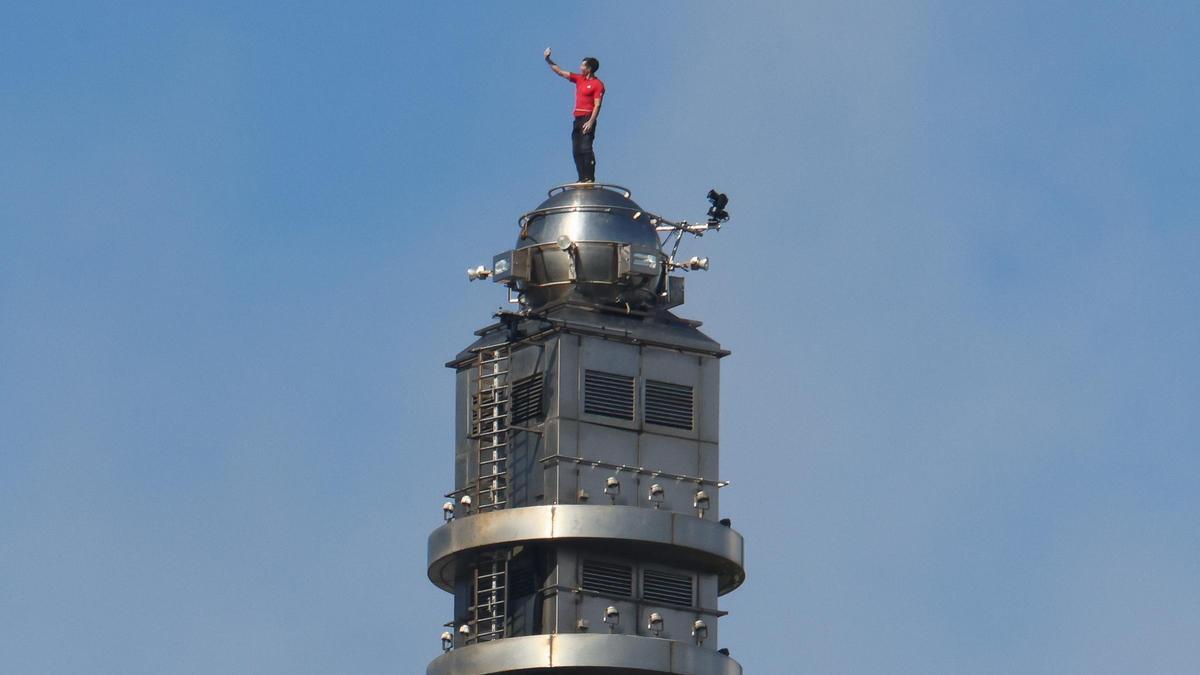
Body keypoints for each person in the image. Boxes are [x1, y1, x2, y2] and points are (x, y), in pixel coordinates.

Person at [544, 48, 604, 183]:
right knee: (576, 149)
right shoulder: (579, 79)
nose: (580, 67)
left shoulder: (597, 84)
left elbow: (597, 105)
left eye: (583, 65)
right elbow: (560, 72)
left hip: (588, 118)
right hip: (577, 118)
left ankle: (590, 177)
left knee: (585, 148)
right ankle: (582, 178)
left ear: (589, 68)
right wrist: (548, 60)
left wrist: (591, 121)